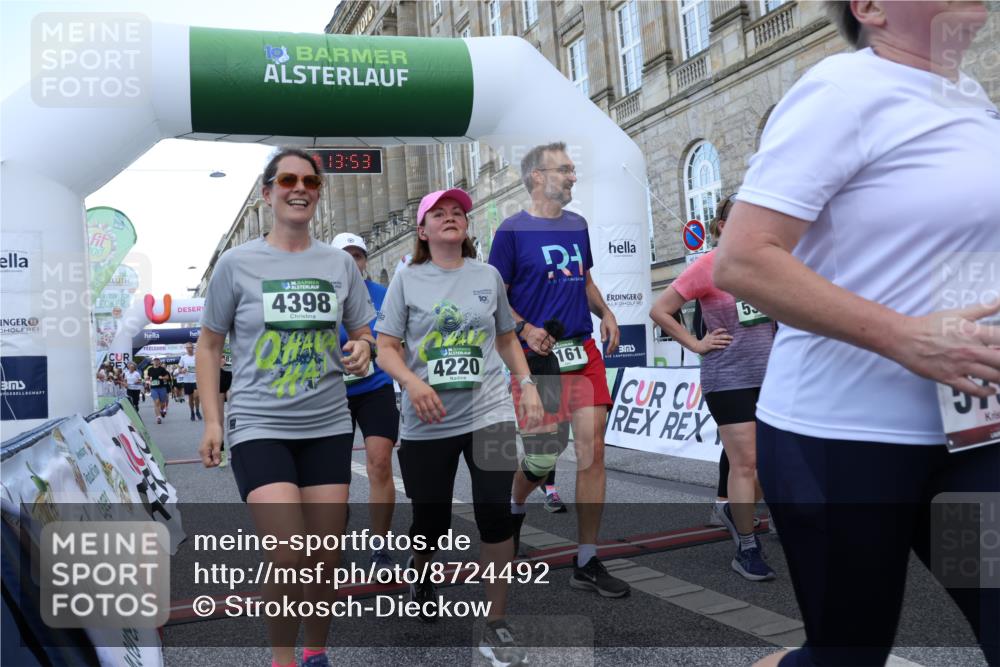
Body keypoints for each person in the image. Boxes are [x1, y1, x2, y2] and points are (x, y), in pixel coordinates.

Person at [715, 2, 1000, 665]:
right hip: (842, 441)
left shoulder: (973, 101)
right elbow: (743, 259)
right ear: (869, 8)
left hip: (972, 436)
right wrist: (903, 336)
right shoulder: (842, 92)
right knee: (849, 651)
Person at [197, 147, 376, 667]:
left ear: (318, 192)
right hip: (259, 422)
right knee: (290, 554)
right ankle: (281, 660)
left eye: (311, 182)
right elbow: (209, 346)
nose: (300, 189)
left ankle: (315, 654)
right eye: (288, 180)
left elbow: (365, 332)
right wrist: (213, 420)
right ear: (268, 192)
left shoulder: (340, 263)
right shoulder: (237, 264)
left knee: (323, 558)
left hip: (327, 423)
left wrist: (363, 347)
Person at [375, 187, 543, 665]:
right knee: (432, 521)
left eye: (458, 213)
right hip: (428, 418)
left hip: (487, 409)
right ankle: (421, 568)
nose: (451, 218)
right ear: (423, 231)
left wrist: (526, 382)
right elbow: (387, 347)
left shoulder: (488, 276)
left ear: (466, 227)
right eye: (438, 214)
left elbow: (507, 339)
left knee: (495, 512)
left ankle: (495, 623)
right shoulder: (407, 280)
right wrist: (412, 383)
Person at [487, 141, 629, 597]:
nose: (571, 177)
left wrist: (605, 312)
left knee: (593, 451)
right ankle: (514, 506)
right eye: (564, 170)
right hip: (538, 357)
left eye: (572, 170)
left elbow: (583, 279)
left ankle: (587, 558)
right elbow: (496, 296)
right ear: (536, 177)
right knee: (544, 456)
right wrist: (524, 329)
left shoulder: (577, 224)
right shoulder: (510, 232)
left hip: (581, 350)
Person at [649, 193, 776, 581]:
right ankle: (747, 547)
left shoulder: (769, 266)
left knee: (774, 462)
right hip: (729, 378)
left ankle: (736, 514)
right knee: (746, 462)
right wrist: (696, 344)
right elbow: (660, 310)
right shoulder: (709, 265)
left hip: (774, 378)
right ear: (722, 226)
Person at [331, 232, 400, 572]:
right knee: (333, 475)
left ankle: (381, 548)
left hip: (375, 387)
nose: (353, 262)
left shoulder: (383, 296)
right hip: (332, 394)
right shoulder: (322, 297)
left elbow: (393, 342)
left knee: (380, 464)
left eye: (358, 256)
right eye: (346, 256)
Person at [145, 357, 170, 424]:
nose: (156, 361)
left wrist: (162, 377)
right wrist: (147, 379)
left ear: (159, 362)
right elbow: (148, 377)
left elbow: (167, 377)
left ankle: (162, 410)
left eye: (157, 360)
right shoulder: (150, 369)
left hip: (162, 388)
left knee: (162, 403)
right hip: (154, 388)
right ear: (153, 362)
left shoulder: (162, 369)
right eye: (154, 360)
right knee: (156, 402)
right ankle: (158, 418)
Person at [179, 342, 201, 420]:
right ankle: (192, 412)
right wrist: (182, 370)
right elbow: (179, 369)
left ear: (193, 348)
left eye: (190, 347)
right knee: (191, 398)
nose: (188, 349)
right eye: (187, 347)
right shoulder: (183, 358)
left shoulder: (197, 356)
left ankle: (197, 410)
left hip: (196, 379)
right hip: (187, 380)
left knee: (197, 396)